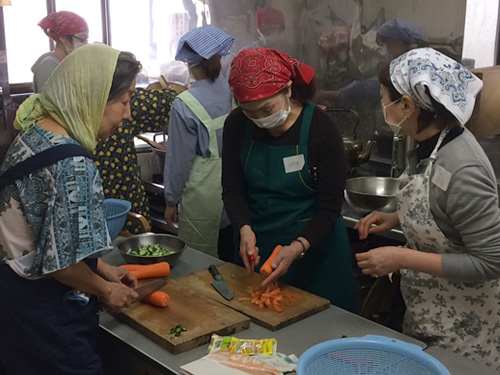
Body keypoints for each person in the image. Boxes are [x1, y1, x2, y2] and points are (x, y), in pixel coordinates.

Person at [355, 47, 500, 369]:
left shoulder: (463, 168)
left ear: (407, 105)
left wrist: (400, 256)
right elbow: (441, 211)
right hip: (429, 311)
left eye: (384, 99)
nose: (383, 107)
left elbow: (491, 261)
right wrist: (396, 217)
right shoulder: (429, 145)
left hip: (466, 329)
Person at [0, 44, 141, 374]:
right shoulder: (73, 164)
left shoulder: (35, 134)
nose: (128, 113)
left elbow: (42, 228)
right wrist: (107, 290)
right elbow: (60, 266)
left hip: (14, 306)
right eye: (123, 101)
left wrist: (102, 268)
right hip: (47, 320)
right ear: (93, 97)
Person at [223, 47, 356, 311]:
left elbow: (329, 208)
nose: (261, 120)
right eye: (251, 112)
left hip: (316, 252)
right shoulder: (237, 124)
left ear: (287, 89)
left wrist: (298, 248)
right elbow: (233, 189)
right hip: (261, 248)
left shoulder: (322, 128)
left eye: (267, 109)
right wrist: (244, 229)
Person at [163, 25, 234, 259]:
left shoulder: (184, 103)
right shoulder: (234, 92)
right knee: (233, 261)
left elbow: (178, 159)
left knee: (201, 265)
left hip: (203, 194)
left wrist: (171, 201)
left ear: (189, 63)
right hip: (237, 188)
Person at [94, 79, 179, 234]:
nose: (127, 113)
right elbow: (169, 102)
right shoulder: (126, 103)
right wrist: (172, 89)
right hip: (124, 200)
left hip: (108, 210)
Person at [32, 10, 89, 93]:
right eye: (82, 39)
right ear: (62, 38)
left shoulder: (68, 63)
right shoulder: (49, 66)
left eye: (86, 40)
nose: (85, 44)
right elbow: (49, 103)